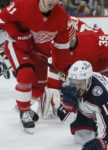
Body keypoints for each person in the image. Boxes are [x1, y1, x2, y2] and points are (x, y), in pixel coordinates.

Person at [0, 0, 75, 133]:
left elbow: (61, 46)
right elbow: (2, 18)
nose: (51, 1)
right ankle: (24, 112)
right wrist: (19, 35)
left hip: (40, 52)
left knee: (39, 86)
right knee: (26, 74)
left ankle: (23, 104)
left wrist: (62, 69)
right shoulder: (23, 4)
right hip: (19, 47)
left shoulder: (62, 17)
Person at [59, 60, 108, 150]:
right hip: (86, 112)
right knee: (81, 137)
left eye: (80, 84)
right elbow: (63, 117)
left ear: (88, 81)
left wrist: (101, 142)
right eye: (74, 83)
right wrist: (68, 106)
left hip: (103, 105)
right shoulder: (67, 86)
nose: (77, 88)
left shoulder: (100, 94)